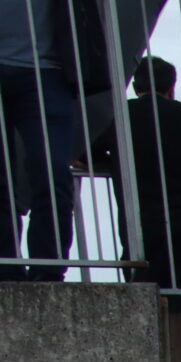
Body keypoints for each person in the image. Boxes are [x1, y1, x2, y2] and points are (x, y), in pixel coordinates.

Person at [86, 57, 181, 313]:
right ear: (171, 88)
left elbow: (83, 157)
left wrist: (115, 162)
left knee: (144, 313)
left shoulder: (120, 117)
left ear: (136, 87)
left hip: (142, 231)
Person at [0, 0, 79, 283]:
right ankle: (6, 266)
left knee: (53, 171)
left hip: (45, 72)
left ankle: (48, 268)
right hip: (41, 72)